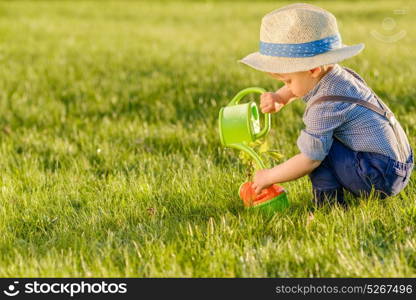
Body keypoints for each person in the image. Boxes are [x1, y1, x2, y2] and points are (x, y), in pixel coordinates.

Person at [238, 3, 413, 206]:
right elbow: (307, 86)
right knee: (322, 144)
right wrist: (282, 97)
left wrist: (269, 177)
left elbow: (308, 160)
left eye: (288, 81)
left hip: (379, 175)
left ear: (313, 69)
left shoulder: (324, 108)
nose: (287, 86)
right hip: (400, 164)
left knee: (318, 152)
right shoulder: (339, 77)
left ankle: (329, 207)